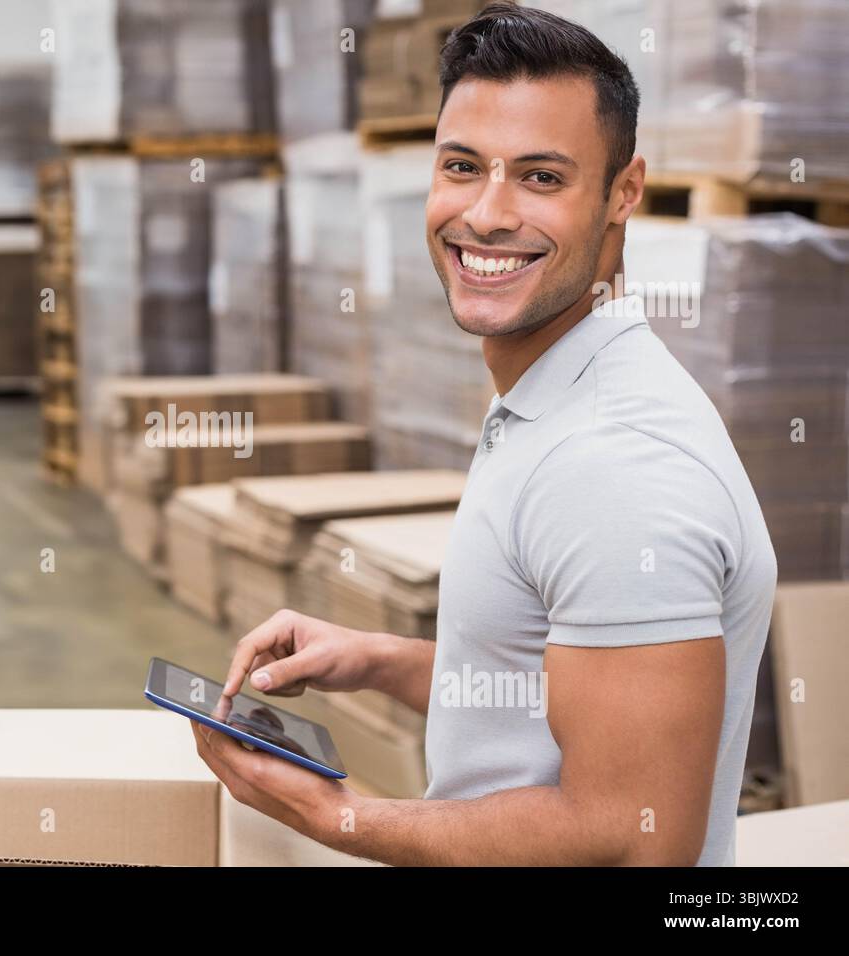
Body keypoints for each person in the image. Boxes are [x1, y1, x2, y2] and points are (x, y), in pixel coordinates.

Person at [191, 0, 778, 866]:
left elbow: (627, 839)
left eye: (542, 177)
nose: (488, 214)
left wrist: (338, 818)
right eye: (463, 166)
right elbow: (574, 700)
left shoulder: (615, 465)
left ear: (623, 192)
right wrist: (383, 658)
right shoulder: (559, 394)